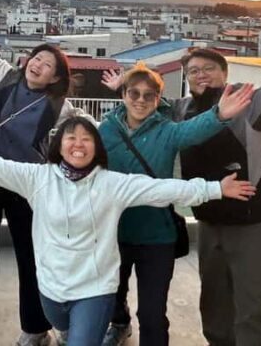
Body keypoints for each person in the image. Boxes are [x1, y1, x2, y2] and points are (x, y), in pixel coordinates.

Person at [101, 0, 261, 346]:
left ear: (225, 74)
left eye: (209, 69)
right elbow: (143, 105)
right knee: (214, 307)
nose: (201, 75)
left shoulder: (249, 105)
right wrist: (122, 89)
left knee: (251, 309)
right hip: (210, 222)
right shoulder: (181, 110)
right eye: (194, 71)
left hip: (252, 225)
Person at [0, 108, 256, 346]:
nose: (78, 144)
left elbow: (164, 189)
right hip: (51, 286)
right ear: (59, 145)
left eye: (86, 139)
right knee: (61, 326)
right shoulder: (37, 178)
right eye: (70, 138)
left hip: (95, 287)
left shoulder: (112, 183)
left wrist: (214, 188)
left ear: (96, 148)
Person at [0, 4, 83, 346]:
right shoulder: (4, 77)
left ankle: (36, 328)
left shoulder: (59, 107)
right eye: (36, 58)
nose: (37, 65)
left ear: (55, 77)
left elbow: (86, 132)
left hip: (27, 183)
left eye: (47, 64)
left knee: (31, 253)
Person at [98, 63, 190, 346]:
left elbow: (198, 126)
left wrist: (222, 115)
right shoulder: (107, 129)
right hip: (113, 232)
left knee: (152, 313)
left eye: (149, 95)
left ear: (157, 99)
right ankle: (120, 323)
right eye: (133, 93)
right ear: (123, 95)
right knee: (111, 295)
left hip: (156, 236)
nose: (140, 100)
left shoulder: (168, 130)